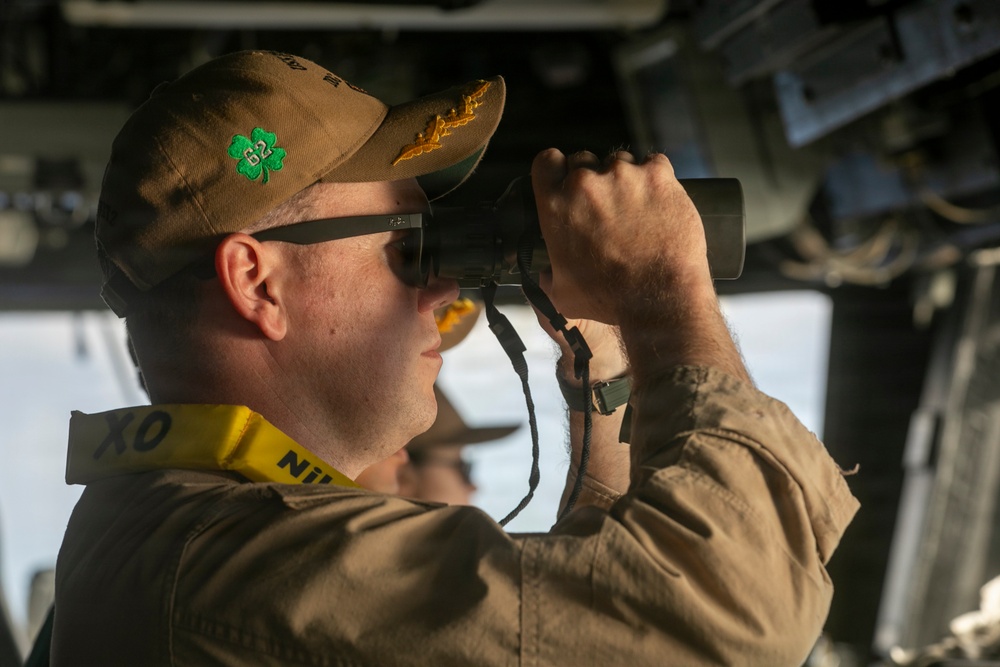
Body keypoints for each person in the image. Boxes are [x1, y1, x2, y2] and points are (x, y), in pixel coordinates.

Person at [52, 50, 859, 665]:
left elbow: (589, 616)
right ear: (257, 283)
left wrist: (600, 377)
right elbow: (729, 617)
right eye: (409, 247)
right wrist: (659, 286)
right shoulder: (229, 564)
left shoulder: (184, 530)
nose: (443, 287)